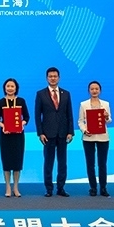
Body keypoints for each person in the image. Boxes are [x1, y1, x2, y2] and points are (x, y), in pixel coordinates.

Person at [35, 66, 74, 197]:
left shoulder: (66, 93)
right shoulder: (40, 94)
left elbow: (69, 114)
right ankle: (49, 189)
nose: (53, 78)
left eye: (55, 76)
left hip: (63, 133)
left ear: (59, 78)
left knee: (62, 163)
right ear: (47, 78)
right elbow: (37, 115)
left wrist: (70, 131)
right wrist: (40, 133)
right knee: (48, 162)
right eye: (50, 76)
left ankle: (61, 188)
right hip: (48, 134)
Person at [0, 78, 30, 197]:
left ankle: (16, 187)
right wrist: (3, 125)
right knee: (7, 161)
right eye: (8, 86)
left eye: (12, 86)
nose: (10, 88)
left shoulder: (21, 101)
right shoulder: (0, 102)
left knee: (17, 161)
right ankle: (8, 186)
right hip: (5, 136)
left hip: (18, 136)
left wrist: (22, 124)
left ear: (16, 88)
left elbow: (27, 117)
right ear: (4, 88)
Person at [78, 81, 112, 197]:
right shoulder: (83, 104)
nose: (94, 91)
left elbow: (109, 120)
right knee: (90, 163)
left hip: (103, 137)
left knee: (102, 163)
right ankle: (93, 187)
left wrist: (106, 117)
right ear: (89, 90)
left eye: (96, 89)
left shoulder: (106, 104)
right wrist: (84, 130)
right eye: (92, 89)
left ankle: (103, 187)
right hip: (89, 137)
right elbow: (80, 121)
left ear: (100, 90)